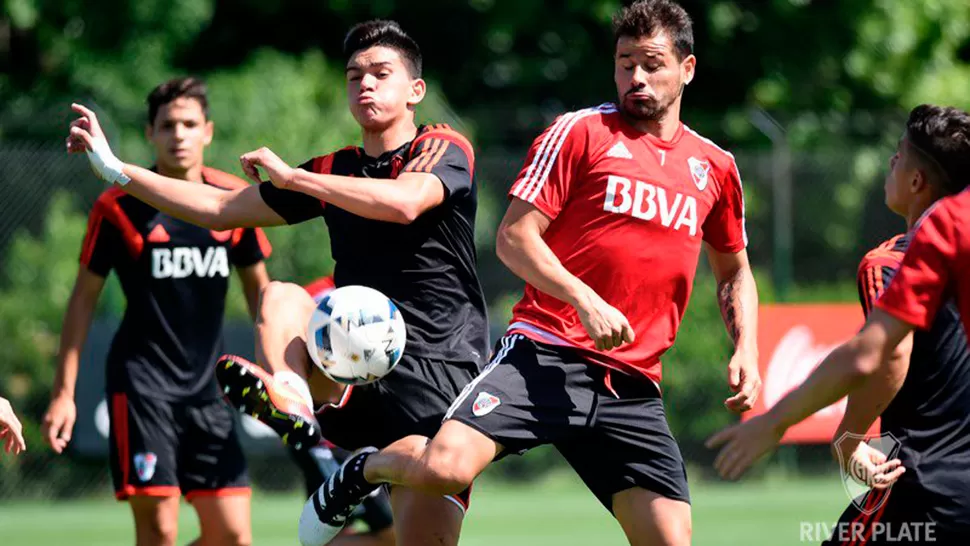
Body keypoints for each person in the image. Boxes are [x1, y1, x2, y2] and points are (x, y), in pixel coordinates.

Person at [306, 2, 761, 545]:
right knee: (446, 468)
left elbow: (734, 270)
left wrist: (747, 349)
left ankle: (369, 469)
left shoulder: (715, 166)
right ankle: (366, 469)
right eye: (624, 63)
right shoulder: (580, 133)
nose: (635, 77)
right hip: (547, 353)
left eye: (652, 63)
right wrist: (584, 299)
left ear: (687, 68)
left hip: (632, 385)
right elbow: (513, 238)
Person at [66, 20, 487, 546]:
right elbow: (221, 208)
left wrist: (294, 179)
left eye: (382, 74)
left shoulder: (443, 147)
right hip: (352, 365)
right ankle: (291, 396)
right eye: (355, 76)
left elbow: (405, 202)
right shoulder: (337, 168)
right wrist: (116, 169)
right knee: (282, 294)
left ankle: (366, 470)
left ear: (415, 91)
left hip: (438, 363)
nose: (366, 85)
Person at [708, 105, 970, 544]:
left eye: (900, 154)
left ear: (916, 181)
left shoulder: (891, 261)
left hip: (926, 487)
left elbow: (883, 355)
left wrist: (804, 428)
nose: (891, 161)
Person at [48, 77, 271, 546]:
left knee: (233, 536)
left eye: (190, 124)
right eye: (168, 125)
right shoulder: (118, 207)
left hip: (210, 391)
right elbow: (83, 300)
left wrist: (277, 368)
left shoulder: (233, 201)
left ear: (208, 131)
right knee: (160, 532)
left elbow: (262, 295)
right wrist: (64, 393)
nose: (179, 134)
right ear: (150, 133)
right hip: (142, 387)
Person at [287, 276, 394, 546]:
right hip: (326, 434)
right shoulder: (314, 296)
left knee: (387, 534)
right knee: (393, 532)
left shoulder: (386, 292)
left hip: (367, 431)